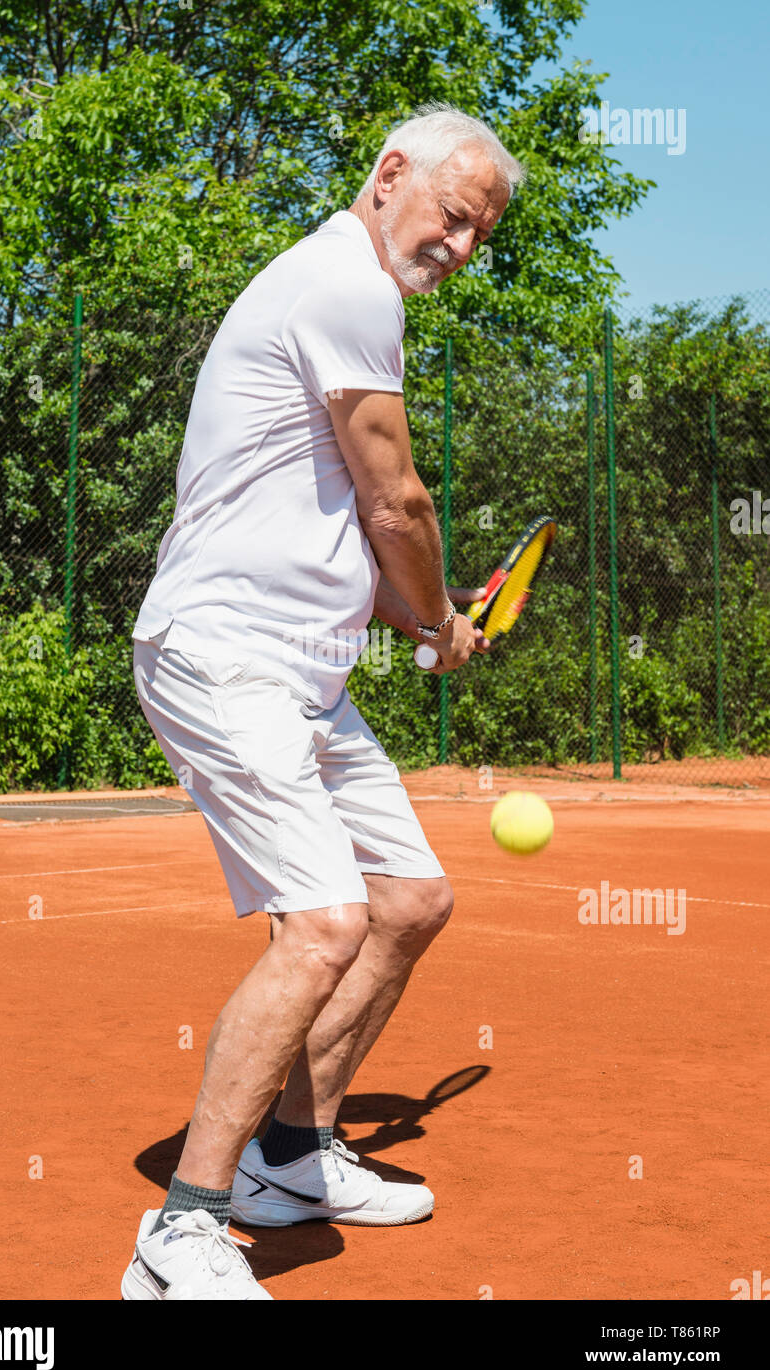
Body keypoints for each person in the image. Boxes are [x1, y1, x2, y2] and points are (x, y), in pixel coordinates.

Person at [124, 101, 524, 1301]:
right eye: (452, 218)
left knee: (407, 899)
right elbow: (394, 498)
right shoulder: (347, 285)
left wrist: (424, 607)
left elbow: (355, 524)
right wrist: (439, 617)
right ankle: (182, 1227)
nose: (456, 249)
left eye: (475, 238)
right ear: (390, 174)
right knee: (324, 923)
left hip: (304, 666)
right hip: (223, 652)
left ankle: (291, 1158)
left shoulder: (339, 286)